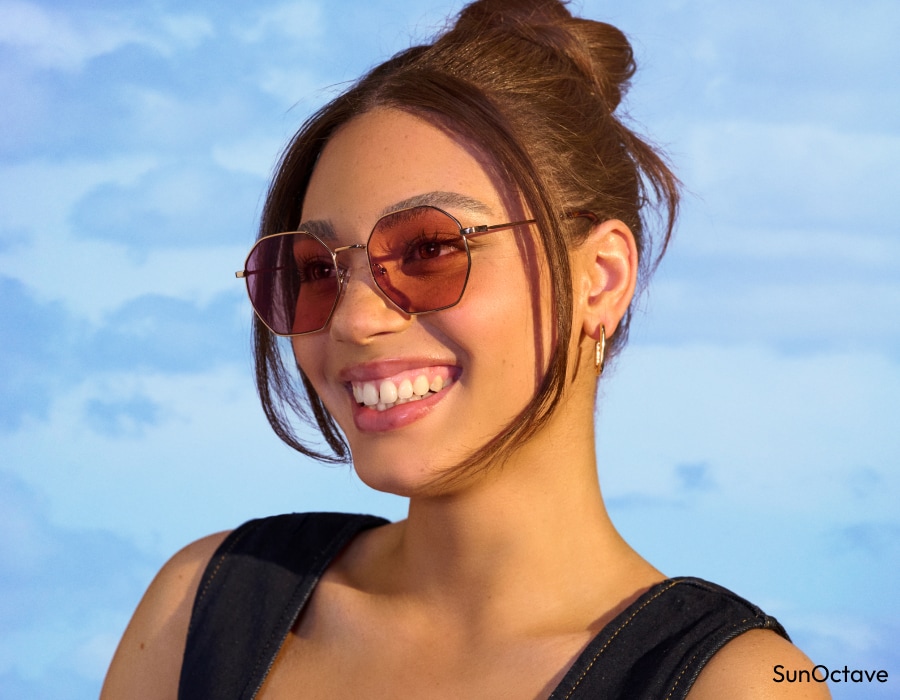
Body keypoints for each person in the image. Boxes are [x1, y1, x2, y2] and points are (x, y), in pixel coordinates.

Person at [102, 1, 828, 697]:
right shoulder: (200, 610)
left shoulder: (736, 686)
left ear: (600, 279)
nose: (354, 320)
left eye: (429, 249)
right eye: (317, 272)